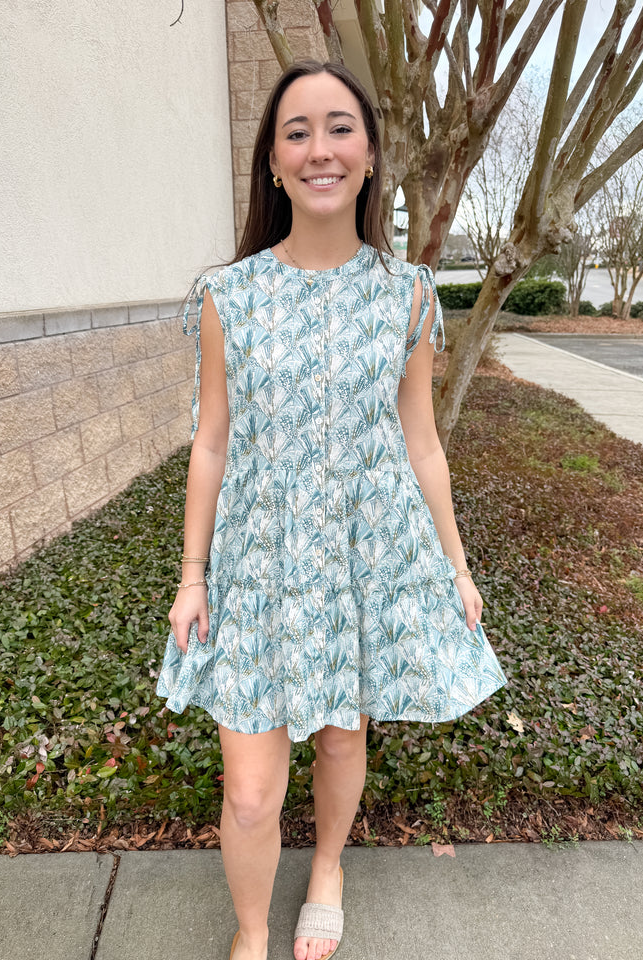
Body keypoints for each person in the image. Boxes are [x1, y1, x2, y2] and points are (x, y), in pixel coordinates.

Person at [157, 59, 507, 960]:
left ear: (369, 154)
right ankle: (248, 933)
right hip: (257, 565)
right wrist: (191, 577)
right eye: (298, 131)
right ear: (273, 162)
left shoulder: (408, 296)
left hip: (361, 558)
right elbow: (212, 442)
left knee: (342, 745)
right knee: (248, 791)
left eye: (340, 127)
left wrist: (458, 571)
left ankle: (329, 868)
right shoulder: (226, 296)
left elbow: (422, 444)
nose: (321, 148)